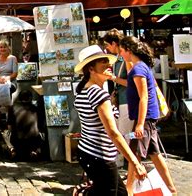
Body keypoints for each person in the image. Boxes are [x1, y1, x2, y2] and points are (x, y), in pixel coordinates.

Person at [74, 45, 146, 195]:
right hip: (99, 156)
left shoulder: (84, 90)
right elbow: (113, 132)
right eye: (102, 62)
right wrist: (135, 162)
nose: (109, 65)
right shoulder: (97, 93)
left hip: (89, 153)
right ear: (91, 69)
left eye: (108, 61)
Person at [119, 36, 177, 194]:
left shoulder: (138, 69)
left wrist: (139, 123)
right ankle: (171, 189)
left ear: (129, 51)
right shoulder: (140, 66)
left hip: (143, 118)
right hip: (147, 118)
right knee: (154, 154)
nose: (120, 53)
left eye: (122, 51)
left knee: (134, 154)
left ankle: (128, 191)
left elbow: (143, 97)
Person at [102, 29, 134, 168]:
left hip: (128, 100)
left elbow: (131, 82)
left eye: (108, 45)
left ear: (114, 43)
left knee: (125, 133)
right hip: (120, 99)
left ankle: (128, 160)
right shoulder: (116, 60)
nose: (107, 48)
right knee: (121, 130)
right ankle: (125, 159)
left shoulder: (126, 59)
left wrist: (113, 78)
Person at [0, 39, 18, 127]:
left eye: (4, 47)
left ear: (8, 48)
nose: (3, 49)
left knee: (8, 90)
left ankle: (9, 119)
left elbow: (15, 73)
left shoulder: (13, 58)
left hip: (11, 80)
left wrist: (8, 78)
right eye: (1, 47)